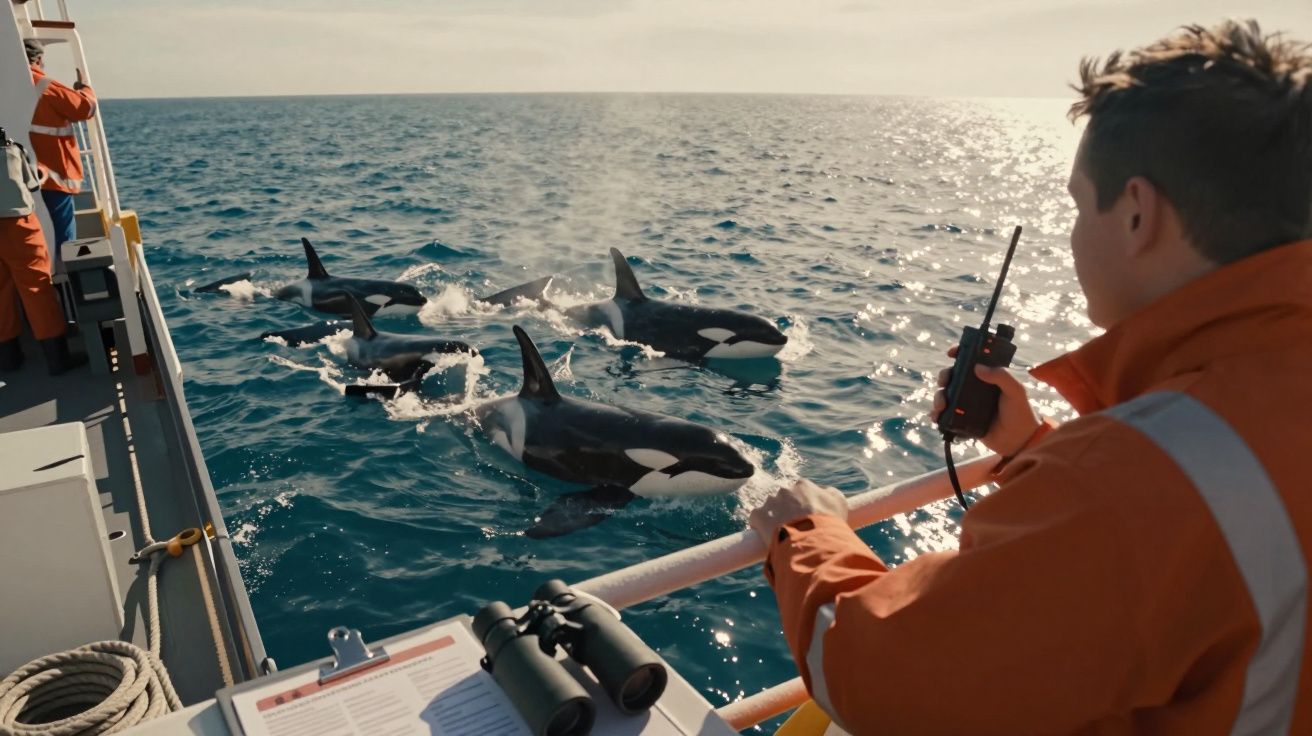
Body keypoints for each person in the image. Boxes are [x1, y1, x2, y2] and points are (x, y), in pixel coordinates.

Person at [749, 19, 1312, 735]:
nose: (1074, 233)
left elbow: (889, 678)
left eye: (1079, 205)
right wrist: (1033, 450)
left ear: (1138, 214)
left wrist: (804, 533)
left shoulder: (1123, 481)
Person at [0, 126, 86, 375]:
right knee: (37, 289)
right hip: (18, 226)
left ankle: (9, 358)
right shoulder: (12, 149)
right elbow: (33, 183)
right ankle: (57, 359)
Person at [25, 38, 97, 260]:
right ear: (38, 59)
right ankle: (64, 283)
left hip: (14, 182)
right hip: (52, 180)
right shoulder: (43, 86)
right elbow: (85, 108)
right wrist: (84, 87)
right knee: (63, 243)